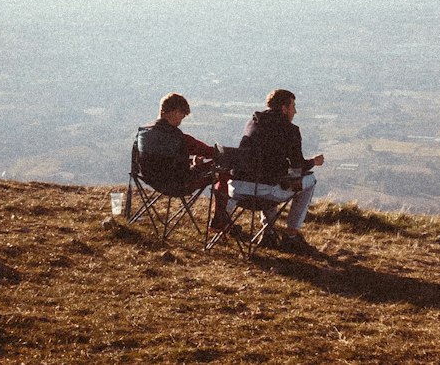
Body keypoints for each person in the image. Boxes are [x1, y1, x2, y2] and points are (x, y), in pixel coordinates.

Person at [229, 88, 325, 251]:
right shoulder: (290, 130)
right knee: (309, 181)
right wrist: (313, 162)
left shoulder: (253, 122)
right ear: (284, 108)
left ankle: (269, 231)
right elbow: (298, 166)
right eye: (293, 106)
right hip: (264, 191)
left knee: (269, 178)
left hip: (237, 189)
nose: (295, 111)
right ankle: (291, 234)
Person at [136, 92, 220, 195]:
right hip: (177, 185)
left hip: (151, 180)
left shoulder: (143, 131)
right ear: (174, 112)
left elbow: (162, 161)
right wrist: (197, 167)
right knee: (220, 166)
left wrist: (192, 164)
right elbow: (208, 152)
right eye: (182, 115)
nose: (181, 121)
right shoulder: (178, 137)